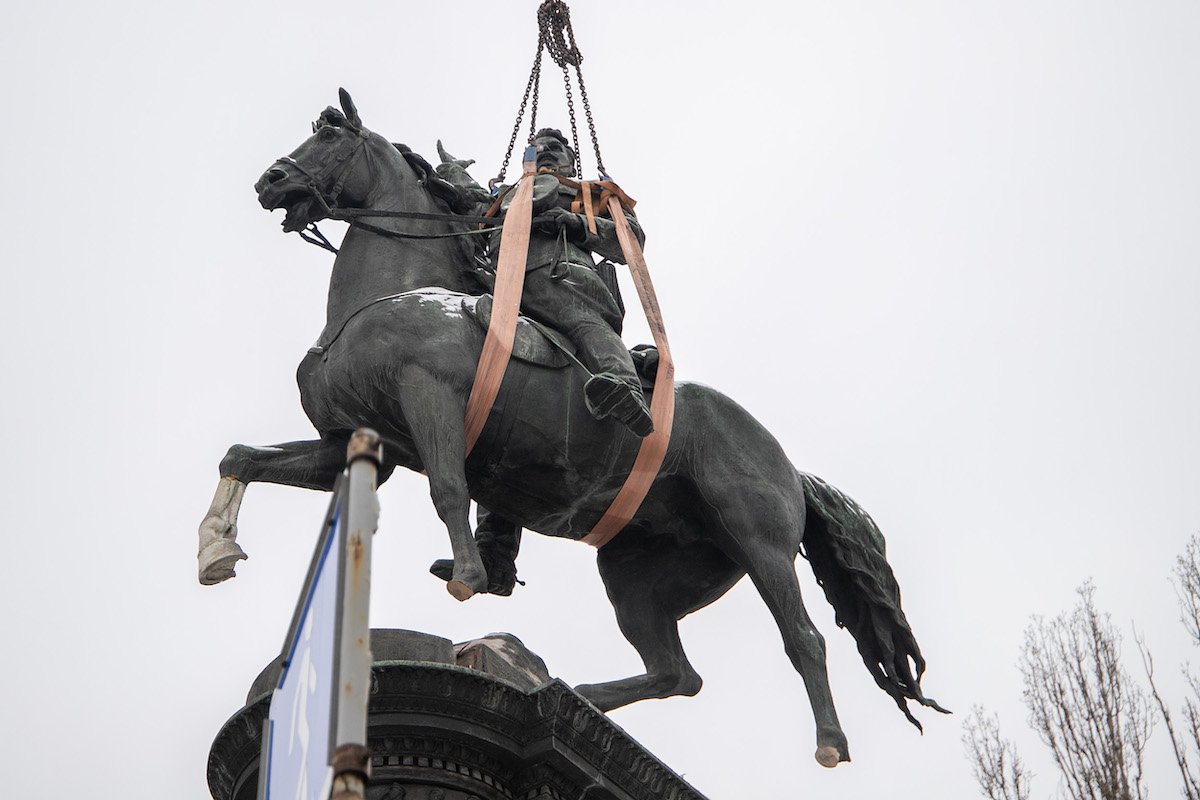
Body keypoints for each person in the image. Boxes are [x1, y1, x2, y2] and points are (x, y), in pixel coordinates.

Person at [429, 129, 652, 594]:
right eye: (540, 142)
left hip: (565, 279)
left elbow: (629, 240)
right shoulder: (511, 197)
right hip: (504, 289)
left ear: (572, 160)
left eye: (557, 144)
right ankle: (495, 554)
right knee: (497, 434)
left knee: (579, 320)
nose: (546, 147)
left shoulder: (588, 194)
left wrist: (572, 225)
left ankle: (624, 385)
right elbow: (469, 216)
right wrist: (450, 178)